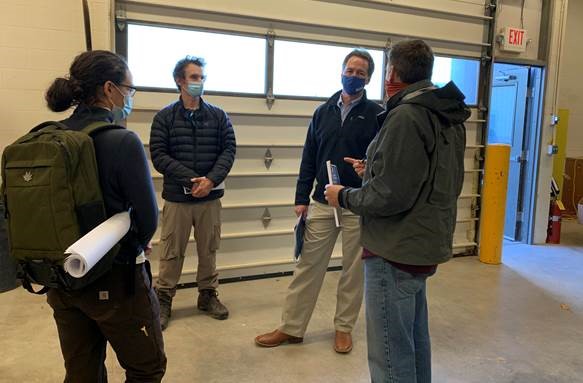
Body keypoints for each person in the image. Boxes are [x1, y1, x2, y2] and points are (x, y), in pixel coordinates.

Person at [325, 39, 469, 382]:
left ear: (392, 72)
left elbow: (389, 197)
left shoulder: (406, 115)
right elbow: (427, 177)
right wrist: (373, 169)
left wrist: (343, 195)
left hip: (394, 249)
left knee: (389, 352)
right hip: (421, 245)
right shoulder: (445, 113)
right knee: (414, 342)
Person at [44, 50, 166, 382]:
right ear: (110, 89)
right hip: (115, 277)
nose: (130, 96)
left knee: (82, 370)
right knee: (146, 366)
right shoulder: (121, 140)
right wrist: (138, 243)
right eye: (130, 89)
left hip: (61, 277)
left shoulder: (48, 136)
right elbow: (147, 216)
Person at [255, 49, 383, 353]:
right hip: (323, 202)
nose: (353, 76)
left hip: (356, 204)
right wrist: (301, 198)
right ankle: (292, 327)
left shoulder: (378, 115)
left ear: (369, 78)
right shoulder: (322, 111)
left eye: (360, 73)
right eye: (349, 70)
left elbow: (383, 160)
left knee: (353, 271)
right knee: (308, 266)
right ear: (341, 71)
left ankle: (343, 328)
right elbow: (309, 157)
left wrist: (368, 171)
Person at [150, 56, 236, 329]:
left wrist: (210, 180)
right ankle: (163, 299)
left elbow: (228, 150)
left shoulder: (219, 116)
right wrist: (191, 179)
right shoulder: (164, 117)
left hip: (209, 198)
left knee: (209, 248)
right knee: (172, 250)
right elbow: (159, 155)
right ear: (180, 80)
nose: (199, 82)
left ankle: (207, 295)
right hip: (178, 197)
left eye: (202, 77)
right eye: (194, 77)